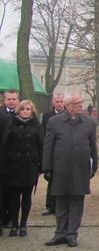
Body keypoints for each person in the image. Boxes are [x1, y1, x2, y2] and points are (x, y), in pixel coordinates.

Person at [42, 93, 98, 247]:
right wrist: (47, 168)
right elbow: (48, 146)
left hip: (80, 168)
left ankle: (71, 233)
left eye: (81, 102)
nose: (80, 105)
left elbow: (93, 146)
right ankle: (60, 232)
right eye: (77, 103)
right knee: (60, 202)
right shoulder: (54, 122)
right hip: (60, 168)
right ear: (68, 106)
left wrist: (94, 166)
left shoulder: (89, 123)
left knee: (76, 202)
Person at [1, 100, 43, 236]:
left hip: (29, 166)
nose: (25, 111)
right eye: (22, 109)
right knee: (14, 198)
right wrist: (5, 165)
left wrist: (40, 166)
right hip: (14, 166)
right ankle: (14, 224)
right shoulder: (12, 125)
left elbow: (41, 146)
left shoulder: (37, 126)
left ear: (32, 111)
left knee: (26, 197)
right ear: (18, 111)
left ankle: (23, 224)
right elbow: (5, 146)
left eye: (28, 109)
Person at [41, 93, 66, 216]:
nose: (59, 104)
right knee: (51, 181)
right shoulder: (47, 116)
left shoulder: (68, 115)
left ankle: (61, 206)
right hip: (51, 150)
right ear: (53, 102)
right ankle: (50, 206)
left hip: (63, 151)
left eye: (61, 101)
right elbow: (43, 133)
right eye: (57, 101)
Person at [0, 89, 19, 227]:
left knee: (14, 192)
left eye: (14, 99)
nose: (11, 102)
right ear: (4, 100)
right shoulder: (2, 116)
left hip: (16, 160)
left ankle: (12, 217)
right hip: (3, 159)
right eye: (9, 99)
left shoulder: (24, 113)